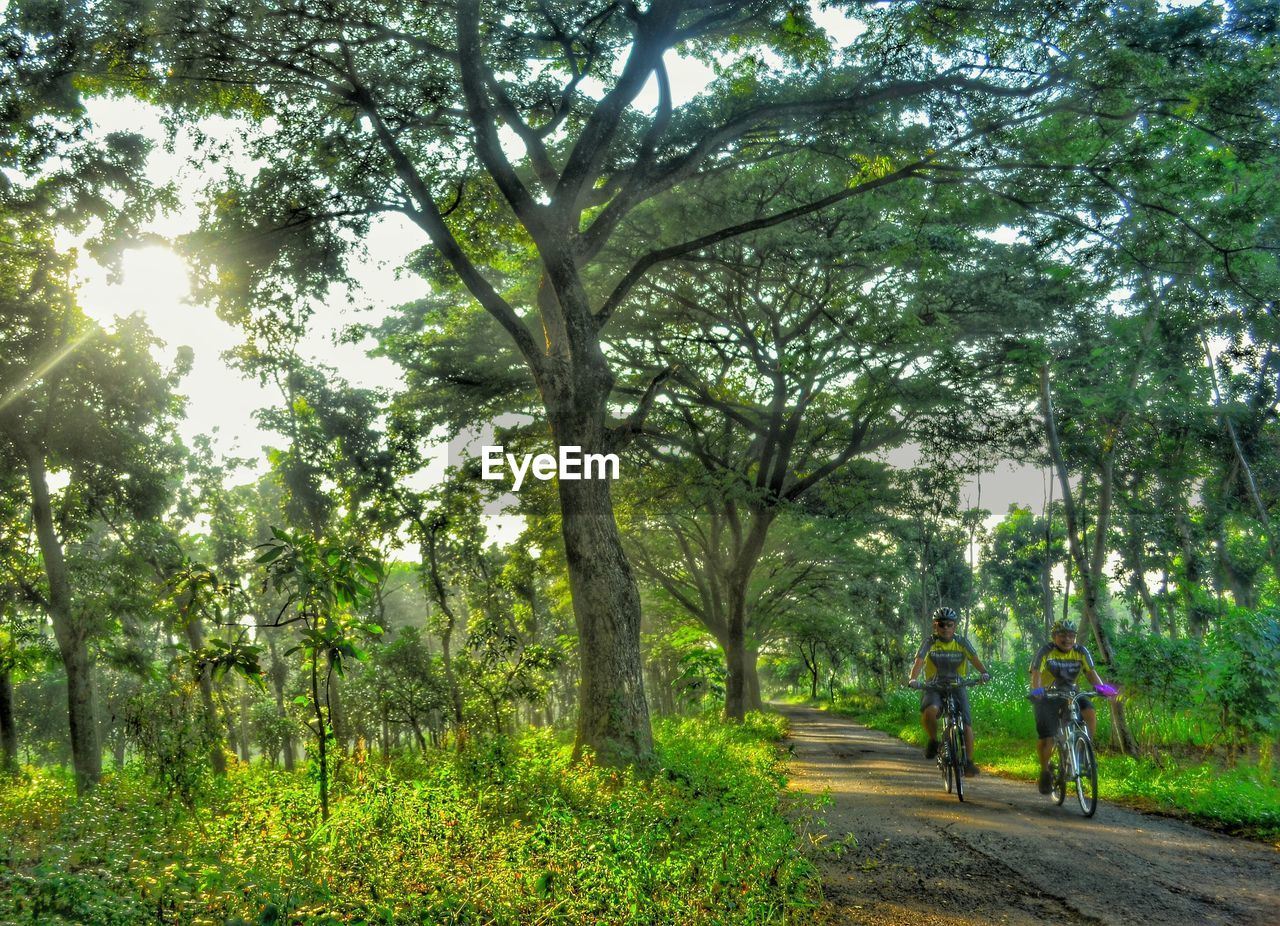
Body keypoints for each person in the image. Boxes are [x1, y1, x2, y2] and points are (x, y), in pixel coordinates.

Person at [1029, 619, 1118, 794]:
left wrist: (1101, 688)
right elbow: (1036, 674)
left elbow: (1091, 674)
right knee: (1047, 738)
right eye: (1062, 635)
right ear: (1054, 637)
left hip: (1072, 693)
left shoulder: (1081, 652)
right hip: (1048, 696)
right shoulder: (1045, 651)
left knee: (1090, 711)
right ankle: (1045, 770)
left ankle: (1086, 749)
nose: (1067, 639)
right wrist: (1037, 690)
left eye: (1071, 636)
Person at [907, 607, 990, 775]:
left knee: (966, 723)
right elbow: (919, 662)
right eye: (941, 625)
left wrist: (984, 673)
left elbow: (975, 660)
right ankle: (932, 740)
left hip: (957, 686)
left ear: (955, 626)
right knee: (930, 711)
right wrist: (913, 679)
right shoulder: (929, 642)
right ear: (935, 626)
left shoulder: (961, 642)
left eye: (949, 625)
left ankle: (968, 762)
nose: (945, 628)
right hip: (934, 686)